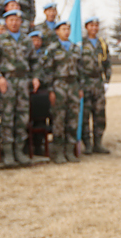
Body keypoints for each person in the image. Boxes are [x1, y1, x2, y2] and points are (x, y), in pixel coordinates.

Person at [0, 9, 39, 166]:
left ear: (21, 22)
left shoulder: (26, 40)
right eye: (11, 20)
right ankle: (8, 152)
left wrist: (35, 77)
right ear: (6, 22)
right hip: (7, 82)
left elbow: (34, 61)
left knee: (22, 117)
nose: (14, 23)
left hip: (23, 82)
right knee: (7, 117)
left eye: (17, 20)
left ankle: (19, 151)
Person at [37, 20, 84, 163]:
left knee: (73, 119)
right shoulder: (52, 48)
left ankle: (70, 150)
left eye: (68, 29)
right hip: (59, 86)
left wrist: (80, 87)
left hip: (73, 86)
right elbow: (47, 71)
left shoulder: (75, 48)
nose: (66, 31)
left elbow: (81, 70)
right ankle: (58, 152)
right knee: (59, 119)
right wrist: (51, 90)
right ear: (57, 31)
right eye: (63, 29)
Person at [80, 16, 112, 154]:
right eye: (91, 26)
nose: (94, 28)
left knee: (100, 114)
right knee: (85, 115)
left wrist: (107, 81)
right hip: (85, 82)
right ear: (86, 27)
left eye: (96, 25)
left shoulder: (102, 44)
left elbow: (107, 64)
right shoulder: (81, 43)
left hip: (98, 82)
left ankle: (98, 143)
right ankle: (87, 144)